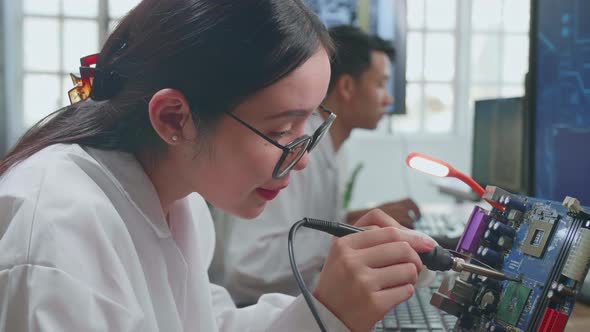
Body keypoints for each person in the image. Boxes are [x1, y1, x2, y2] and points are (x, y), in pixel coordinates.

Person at [0, 1, 435, 331]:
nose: (301, 162)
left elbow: (208, 323)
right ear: (174, 118)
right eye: (284, 130)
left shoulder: (176, 199)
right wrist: (326, 314)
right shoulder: (60, 237)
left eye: (310, 127)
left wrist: (329, 307)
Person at [210, 25, 425, 306]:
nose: (389, 98)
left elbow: (301, 225)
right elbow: (248, 263)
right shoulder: (293, 149)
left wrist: (352, 222)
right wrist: (347, 241)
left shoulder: (331, 149)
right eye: (380, 84)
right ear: (347, 87)